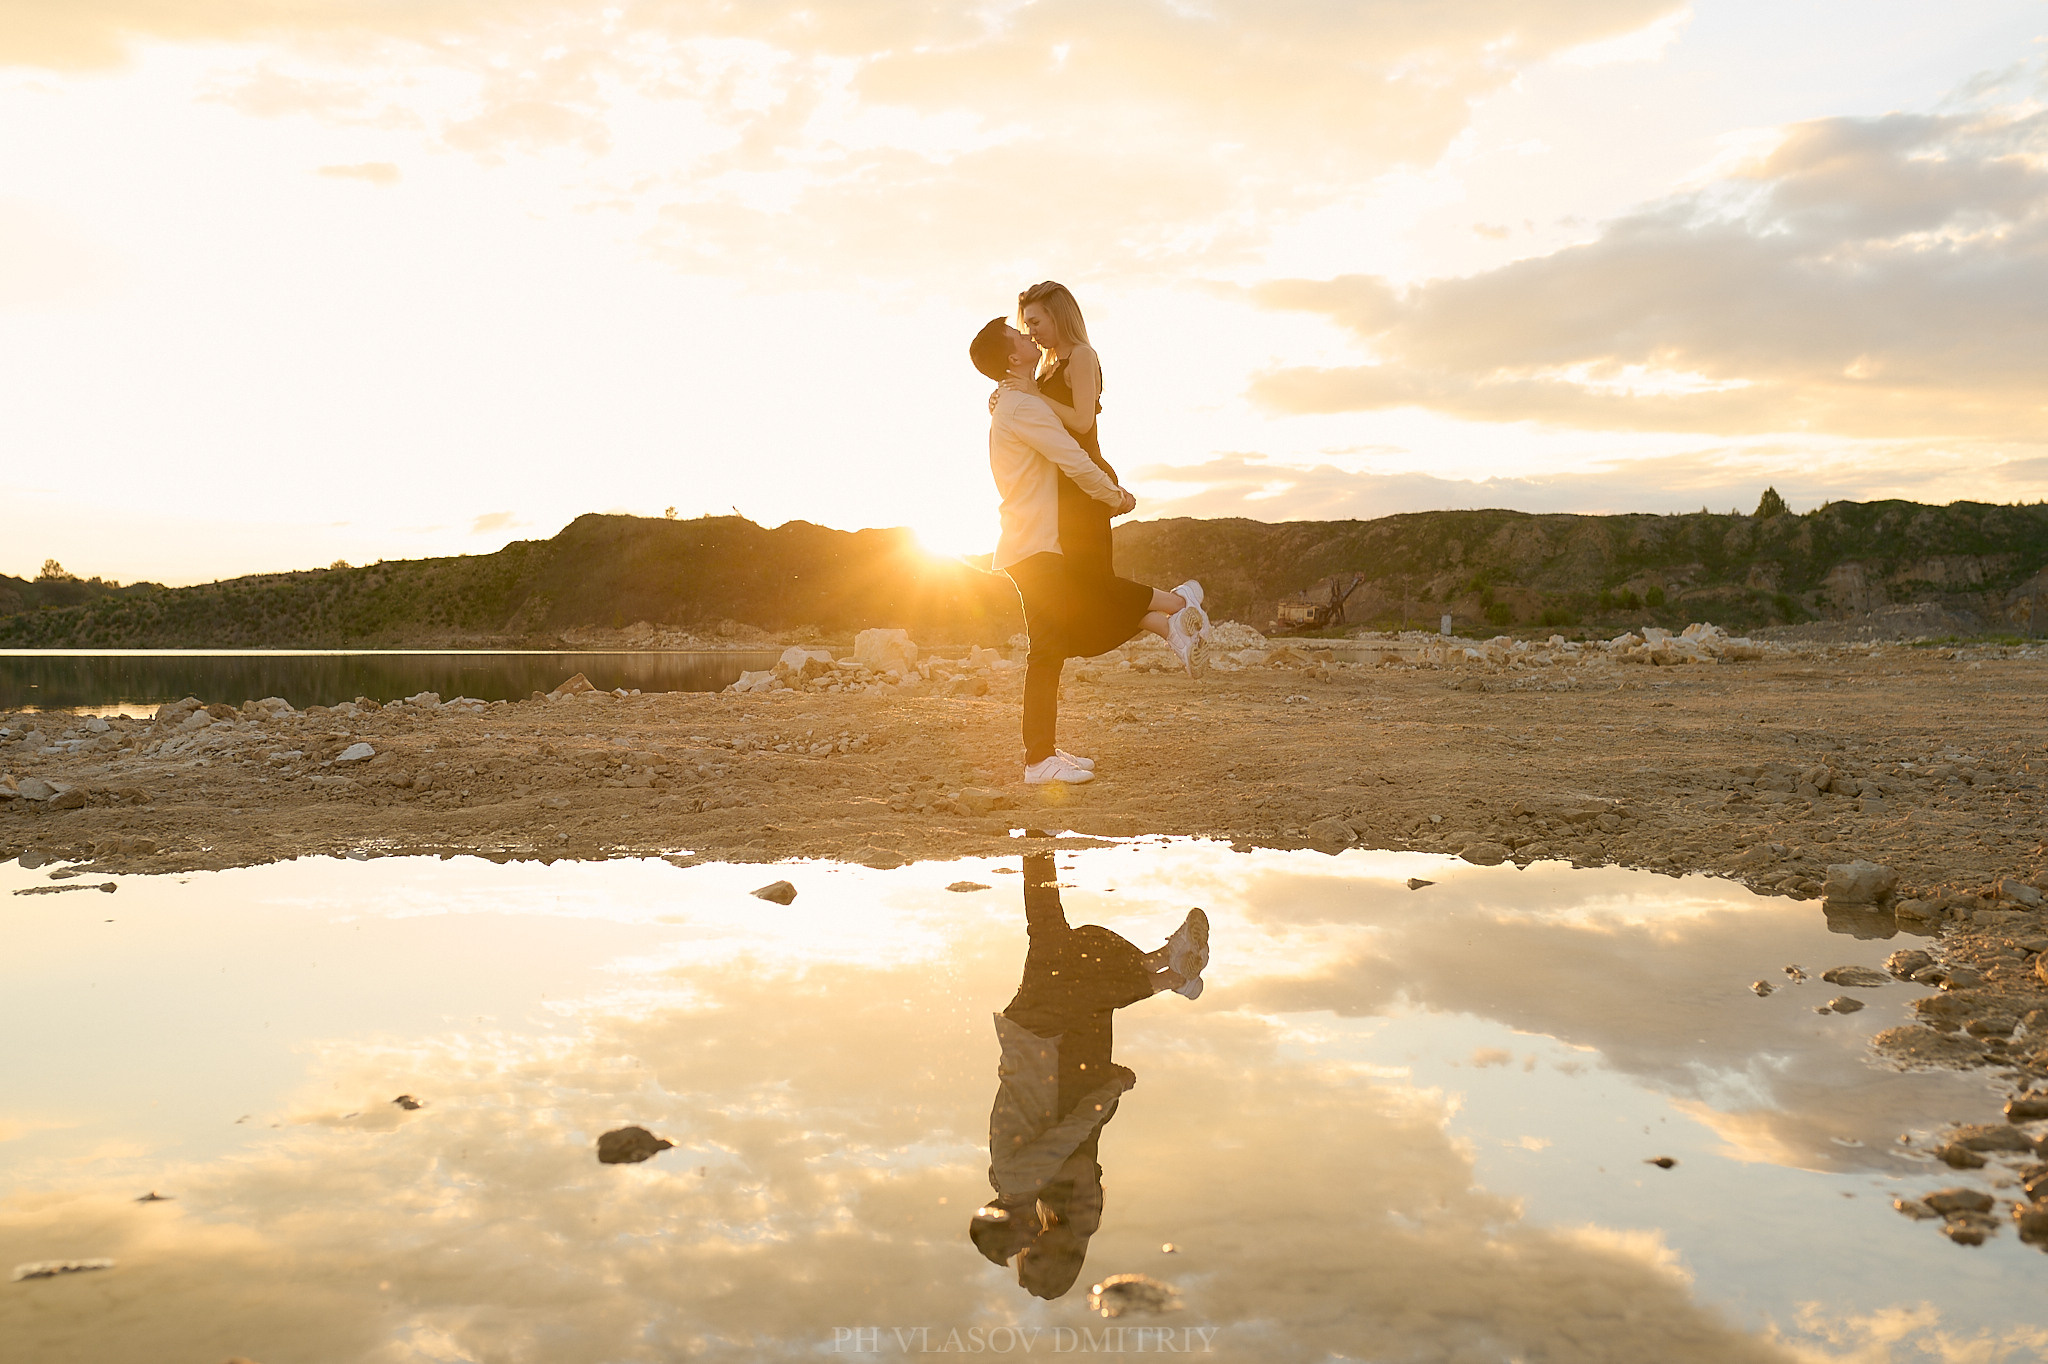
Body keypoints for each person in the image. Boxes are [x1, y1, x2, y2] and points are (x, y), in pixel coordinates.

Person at [968, 316, 1211, 787]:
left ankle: (1171, 620)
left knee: (1066, 638)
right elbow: (1072, 458)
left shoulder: (1015, 402)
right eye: (1017, 334)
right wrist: (1114, 496)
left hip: (1032, 542)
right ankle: (1039, 761)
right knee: (1048, 650)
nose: (1027, 335)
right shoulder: (1022, 407)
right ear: (1013, 357)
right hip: (1033, 544)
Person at [968, 852, 1210, 1300]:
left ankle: (1169, 971)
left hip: (1041, 1050)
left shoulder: (1020, 1183)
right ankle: (1168, 970)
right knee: (1055, 942)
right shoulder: (1017, 1184)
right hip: (1040, 1050)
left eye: (1021, 1248)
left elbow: (1063, 1136)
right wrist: (1109, 1089)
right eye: (1031, 1253)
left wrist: (1110, 1089)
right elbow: (1068, 1139)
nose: (1028, 1242)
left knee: (1062, 948)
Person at [1014, 281, 1115, 578]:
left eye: (1035, 322)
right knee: (1075, 585)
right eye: (1027, 325)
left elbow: (1083, 421)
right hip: (1059, 486)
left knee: (1094, 582)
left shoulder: (1081, 355)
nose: (1031, 332)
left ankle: (1179, 603)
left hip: (1084, 484)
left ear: (1057, 316)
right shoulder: (1050, 367)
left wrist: (1035, 395)